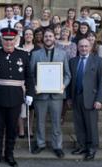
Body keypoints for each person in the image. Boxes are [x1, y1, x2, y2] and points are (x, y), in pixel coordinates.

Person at [0, 27, 34, 167]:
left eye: (11, 40)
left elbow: (29, 77)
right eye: (5, 40)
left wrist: (30, 93)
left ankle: (9, 155)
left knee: (12, 129)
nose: (8, 43)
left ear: (16, 40)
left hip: (15, 98)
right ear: (1, 40)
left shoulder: (23, 55)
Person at [30, 29, 71, 158]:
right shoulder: (36, 54)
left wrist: (63, 85)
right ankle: (40, 144)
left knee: (56, 122)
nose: (48, 38)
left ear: (54, 38)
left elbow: (67, 74)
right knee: (40, 121)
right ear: (43, 38)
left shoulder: (63, 54)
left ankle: (57, 146)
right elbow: (30, 74)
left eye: (50, 36)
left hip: (57, 95)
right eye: (46, 36)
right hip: (40, 94)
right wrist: (35, 85)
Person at [68, 38, 102, 161]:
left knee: (91, 126)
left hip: (91, 99)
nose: (83, 48)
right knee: (79, 125)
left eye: (86, 46)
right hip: (76, 97)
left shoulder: (98, 61)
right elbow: (70, 81)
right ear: (77, 48)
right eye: (81, 46)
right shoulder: (72, 61)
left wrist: (99, 100)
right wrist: (69, 97)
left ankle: (92, 149)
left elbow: (101, 83)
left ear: (90, 47)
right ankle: (82, 146)